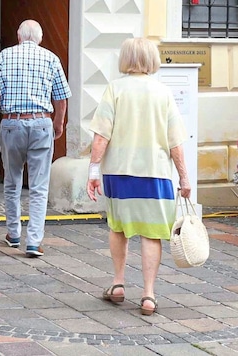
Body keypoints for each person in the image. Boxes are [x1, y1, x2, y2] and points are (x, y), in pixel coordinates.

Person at [86, 38, 191, 316]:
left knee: (118, 227)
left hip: (119, 173)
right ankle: (148, 295)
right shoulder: (163, 93)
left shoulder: (114, 89)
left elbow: (101, 136)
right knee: (151, 233)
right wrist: (184, 179)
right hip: (155, 174)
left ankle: (118, 283)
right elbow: (175, 143)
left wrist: (93, 171)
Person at [0, 19, 71, 258]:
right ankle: (33, 242)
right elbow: (61, 98)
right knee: (39, 187)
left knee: (12, 181)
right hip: (42, 123)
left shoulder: (5, 56)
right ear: (39, 39)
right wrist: (58, 122)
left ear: (19, 37)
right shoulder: (51, 58)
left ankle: (13, 234)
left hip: (12, 123)